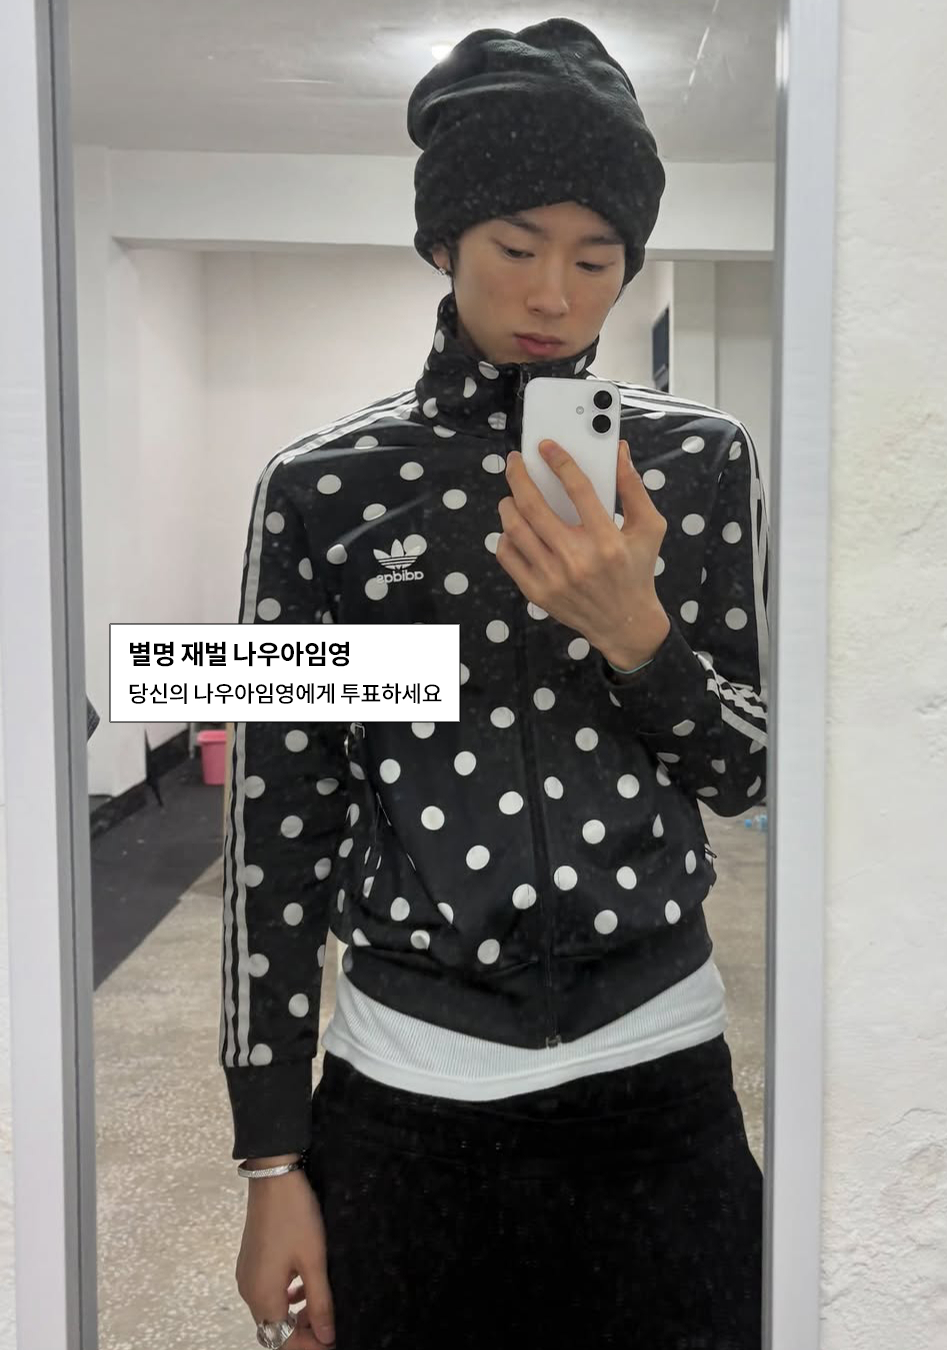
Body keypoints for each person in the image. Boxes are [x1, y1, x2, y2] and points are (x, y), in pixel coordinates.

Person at [221, 18, 769, 1350]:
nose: (555, 296)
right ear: (444, 240)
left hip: (658, 1073)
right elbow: (278, 830)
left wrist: (637, 635)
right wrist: (269, 1157)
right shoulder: (325, 492)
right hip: (408, 1090)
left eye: (596, 257)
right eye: (518, 247)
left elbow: (752, 770)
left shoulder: (699, 465)